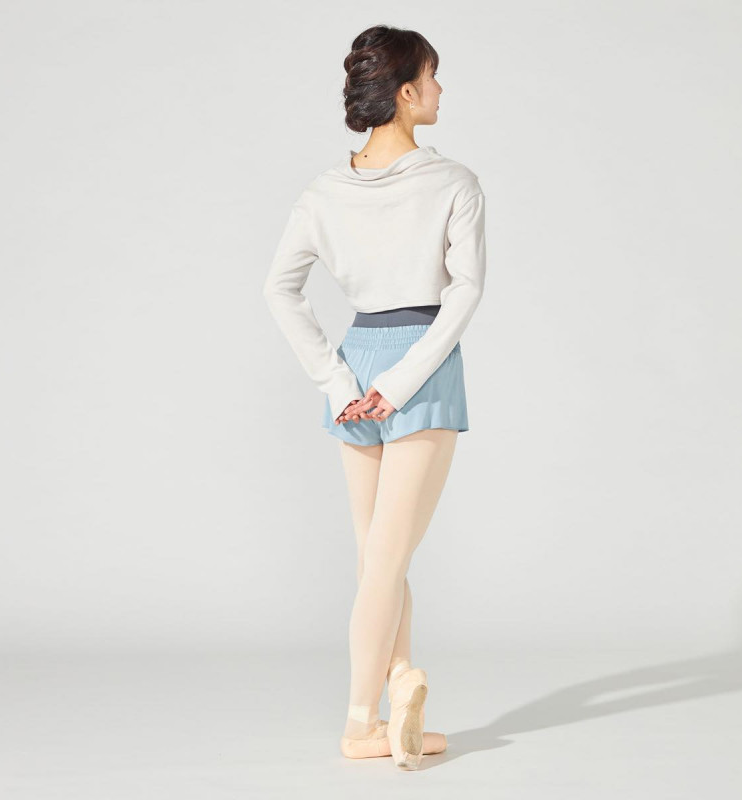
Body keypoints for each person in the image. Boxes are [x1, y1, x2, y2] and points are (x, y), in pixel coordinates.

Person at [262, 24, 486, 771]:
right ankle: (362, 723)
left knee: (376, 560)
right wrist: (397, 384)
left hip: (357, 367)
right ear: (407, 92)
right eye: (434, 76)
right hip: (419, 368)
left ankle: (398, 688)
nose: (441, 89)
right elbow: (464, 294)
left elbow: (279, 290)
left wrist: (339, 380)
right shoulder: (453, 182)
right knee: (386, 562)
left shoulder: (323, 193)